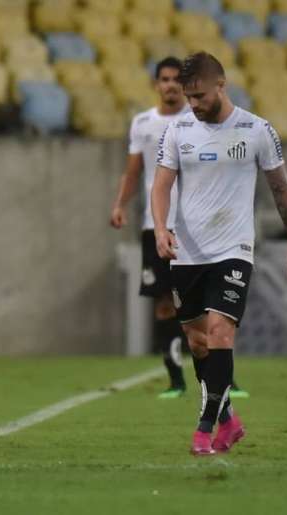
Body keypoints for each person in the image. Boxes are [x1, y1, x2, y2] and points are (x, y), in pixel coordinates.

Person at [152, 52, 287, 455]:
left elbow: (282, 192)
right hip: (187, 252)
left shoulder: (257, 130)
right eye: (189, 97)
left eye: (200, 95)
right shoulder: (178, 130)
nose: (194, 104)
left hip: (233, 249)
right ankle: (229, 419)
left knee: (221, 332)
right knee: (199, 342)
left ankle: (204, 429)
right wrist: (161, 227)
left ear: (221, 86)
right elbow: (161, 186)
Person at [110, 57, 190, 399]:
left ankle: (222, 378)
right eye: (165, 79)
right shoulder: (142, 123)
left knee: (202, 305)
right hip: (154, 227)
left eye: (176, 80)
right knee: (163, 303)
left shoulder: (198, 120)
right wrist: (119, 204)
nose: (170, 85)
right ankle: (175, 380)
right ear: (156, 83)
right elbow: (132, 172)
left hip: (193, 227)